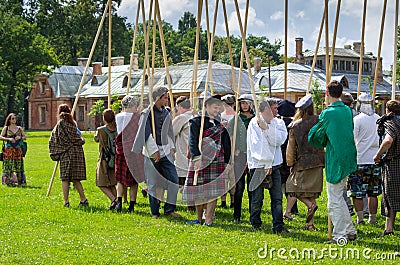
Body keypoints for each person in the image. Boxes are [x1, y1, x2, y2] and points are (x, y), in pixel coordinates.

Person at [309, 80, 357, 243]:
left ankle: (340, 236)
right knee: (339, 196)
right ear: (341, 93)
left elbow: (317, 136)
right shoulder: (348, 110)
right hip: (348, 157)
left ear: (327, 93)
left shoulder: (328, 113)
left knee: (334, 200)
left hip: (335, 157)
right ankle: (349, 231)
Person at [133, 86, 181, 218]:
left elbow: (169, 132)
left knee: (174, 180)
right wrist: (154, 151)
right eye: (165, 98)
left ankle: (169, 209)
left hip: (165, 151)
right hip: (151, 152)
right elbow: (146, 133)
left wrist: (171, 148)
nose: (167, 100)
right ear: (157, 98)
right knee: (152, 183)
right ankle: (155, 212)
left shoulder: (166, 112)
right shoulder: (147, 113)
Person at [183, 95, 231, 226]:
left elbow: (226, 143)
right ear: (206, 107)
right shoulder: (196, 121)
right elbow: (192, 141)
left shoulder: (220, 122)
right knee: (199, 191)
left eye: (218, 107)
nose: (217, 110)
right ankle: (198, 219)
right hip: (201, 160)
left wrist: (227, 161)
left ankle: (209, 220)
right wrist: (196, 158)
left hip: (217, 160)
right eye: (215, 107)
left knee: (214, 192)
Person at [247, 98, 288, 233]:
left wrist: (267, 129)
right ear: (266, 110)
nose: (277, 111)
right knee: (257, 197)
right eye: (274, 108)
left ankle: (278, 225)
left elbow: (278, 141)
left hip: (274, 165)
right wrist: (265, 164)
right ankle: (255, 223)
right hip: (258, 165)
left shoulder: (278, 123)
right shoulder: (254, 123)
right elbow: (258, 146)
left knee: (277, 197)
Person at [284, 94, 325, 230]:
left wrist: (290, 163)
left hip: (302, 163)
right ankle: (310, 224)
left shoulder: (295, 126)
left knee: (292, 188)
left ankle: (310, 206)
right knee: (311, 193)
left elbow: (291, 148)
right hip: (318, 161)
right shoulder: (319, 121)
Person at [348, 93, 381, 225]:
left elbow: (352, 139)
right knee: (373, 192)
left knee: (357, 192)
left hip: (360, 159)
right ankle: (372, 219)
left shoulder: (357, 120)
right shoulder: (378, 118)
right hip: (374, 159)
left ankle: (360, 218)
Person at [49, 104, 88, 207]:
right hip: (77, 152)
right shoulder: (73, 124)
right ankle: (83, 199)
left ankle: (66, 202)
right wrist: (81, 140)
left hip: (66, 153)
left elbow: (54, 139)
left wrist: (56, 150)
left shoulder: (60, 124)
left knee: (65, 178)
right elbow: (78, 138)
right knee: (76, 178)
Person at [373, 100, 400, 236]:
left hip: (394, 163)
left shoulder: (391, 123)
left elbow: (388, 140)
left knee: (390, 196)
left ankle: (389, 229)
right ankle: (388, 229)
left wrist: (378, 154)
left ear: (388, 111)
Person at [114, 96, 145, 213]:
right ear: (133, 106)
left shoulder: (118, 117)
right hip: (133, 150)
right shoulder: (137, 117)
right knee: (134, 179)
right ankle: (132, 205)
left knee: (120, 179)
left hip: (121, 150)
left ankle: (119, 202)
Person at [230, 94, 255, 223]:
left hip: (252, 156)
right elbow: (229, 136)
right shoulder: (235, 120)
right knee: (239, 188)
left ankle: (253, 215)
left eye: (247, 103)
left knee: (252, 187)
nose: (245, 105)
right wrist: (233, 150)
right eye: (242, 103)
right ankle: (237, 215)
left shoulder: (255, 119)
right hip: (239, 156)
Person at [277, 99, 299, 219]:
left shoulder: (279, 123)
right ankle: (293, 208)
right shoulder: (294, 124)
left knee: (280, 185)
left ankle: (282, 207)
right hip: (290, 158)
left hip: (281, 157)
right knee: (290, 185)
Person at [94, 109, 118, 210]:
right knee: (112, 182)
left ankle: (114, 200)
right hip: (116, 158)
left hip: (105, 158)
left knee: (100, 182)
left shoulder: (101, 130)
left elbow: (96, 139)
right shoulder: (118, 128)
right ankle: (117, 202)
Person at [340, 92, 357, 217]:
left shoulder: (341, 115)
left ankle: (348, 207)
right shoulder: (357, 116)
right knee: (358, 183)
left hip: (345, 151)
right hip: (358, 153)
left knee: (342, 182)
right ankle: (364, 211)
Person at [172, 96, 193, 189]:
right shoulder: (194, 116)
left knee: (182, 180)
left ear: (179, 106)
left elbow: (171, 132)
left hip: (183, 151)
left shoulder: (182, 118)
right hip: (190, 151)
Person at [0, 113, 27, 186]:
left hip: (18, 149)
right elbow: (1, 137)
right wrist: (9, 138)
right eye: (12, 118)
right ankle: (8, 181)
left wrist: (20, 138)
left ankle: (20, 181)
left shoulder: (19, 128)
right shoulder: (6, 128)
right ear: (9, 120)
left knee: (18, 164)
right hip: (8, 149)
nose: (14, 120)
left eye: (15, 118)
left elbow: (25, 137)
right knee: (8, 164)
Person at [220, 94, 236, 208]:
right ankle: (223, 201)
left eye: (230, 104)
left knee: (233, 178)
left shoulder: (236, 117)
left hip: (234, 149)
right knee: (223, 177)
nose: (228, 106)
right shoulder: (220, 117)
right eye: (226, 104)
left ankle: (233, 201)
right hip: (223, 149)